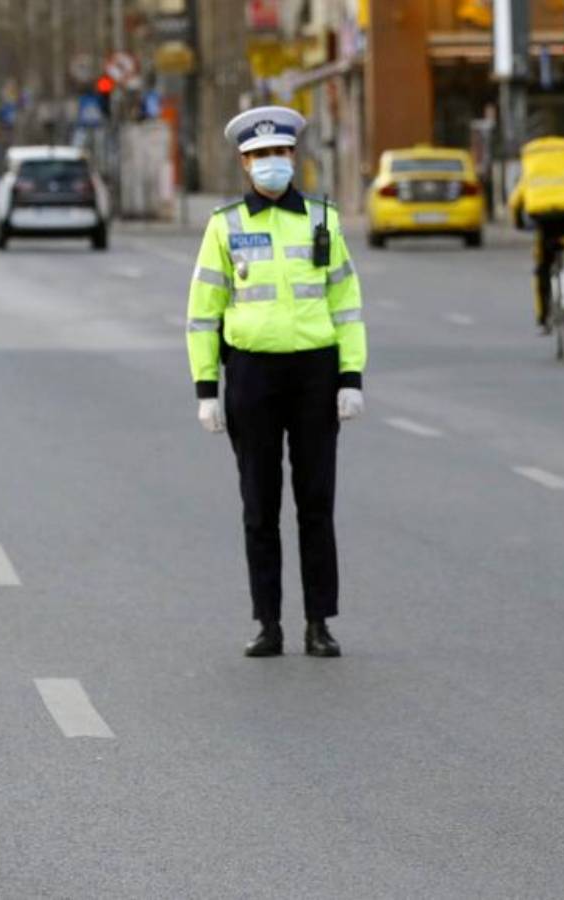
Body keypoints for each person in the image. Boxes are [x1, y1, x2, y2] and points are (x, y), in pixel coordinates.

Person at [185, 105, 367, 659]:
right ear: (244, 163)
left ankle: (319, 622)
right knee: (259, 507)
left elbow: (346, 302)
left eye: (280, 154)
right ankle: (268, 623)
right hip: (252, 376)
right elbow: (203, 312)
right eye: (260, 156)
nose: (272, 164)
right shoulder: (225, 225)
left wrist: (350, 377)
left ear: (294, 157)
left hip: (314, 373)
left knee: (316, 505)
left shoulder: (323, 220)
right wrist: (206, 389)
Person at [508, 136, 564, 334]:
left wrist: (518, 223)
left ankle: (543, 317)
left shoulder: (532, 171)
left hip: (543, 219)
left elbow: (515, 202)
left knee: (542, 267)